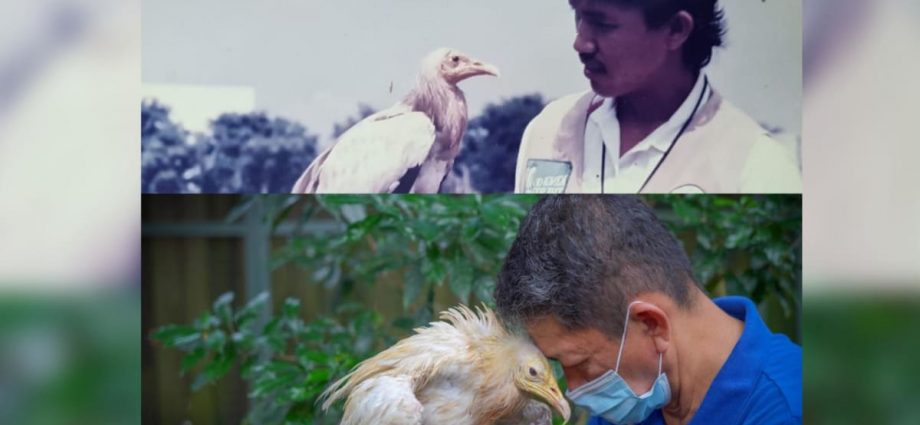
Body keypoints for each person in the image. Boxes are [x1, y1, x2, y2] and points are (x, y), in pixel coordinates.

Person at [494, 196, 802, 424]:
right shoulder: (636, 397)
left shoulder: (790, 408)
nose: (573, 390)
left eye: (580, 363)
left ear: (652, 325)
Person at [515, 0, 801, 193]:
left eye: (602, 24)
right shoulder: (548, 131)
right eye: (578, 15)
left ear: (676, 30)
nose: (581, 43)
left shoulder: (758, 169)